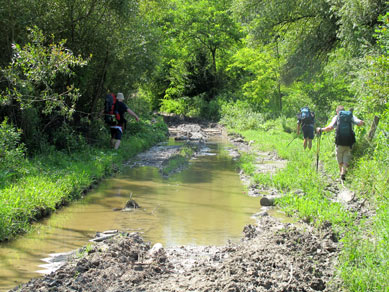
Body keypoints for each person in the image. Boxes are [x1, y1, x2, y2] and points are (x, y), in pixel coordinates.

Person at [316, 105, 364, 181]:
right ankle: (343, 172)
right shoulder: (350, 116)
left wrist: (321, 129)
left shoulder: (336, 117)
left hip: (339, 141)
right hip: (349, 141)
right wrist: (362, 122)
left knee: (339, 158)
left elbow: (330, 128)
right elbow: (359, 123)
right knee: (347, 156)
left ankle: (341, 173)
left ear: (337, 111)